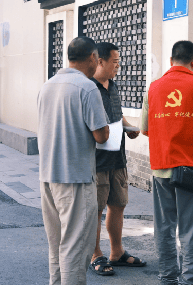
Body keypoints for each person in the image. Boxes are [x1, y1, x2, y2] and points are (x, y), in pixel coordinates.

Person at [140, 40, 193, 285]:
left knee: (165, 227)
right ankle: (191, 281)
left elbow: (145, 129)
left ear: (170, 61)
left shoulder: (154, 88)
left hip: (162, 167)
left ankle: (167, 278)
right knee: (192, 229)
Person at [37, 36, 110, 285]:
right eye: (97, 59)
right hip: (75, 178)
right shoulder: (87, 87)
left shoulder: (48, 85)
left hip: (47, 176)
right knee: (76, 249)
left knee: (56, 246)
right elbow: (101, 135)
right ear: (92, 57)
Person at [88, 42, 145, 277]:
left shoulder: (113, 86)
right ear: (100, 61)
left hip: (118, 158)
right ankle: (95, 254)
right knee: (95, 209)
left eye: (119, 63)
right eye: (115, 62)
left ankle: (117, 252)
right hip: (97, 159)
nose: (118, 67)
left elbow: (116, 113)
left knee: (118, 204)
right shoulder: (88, 89)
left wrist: (128, 127)